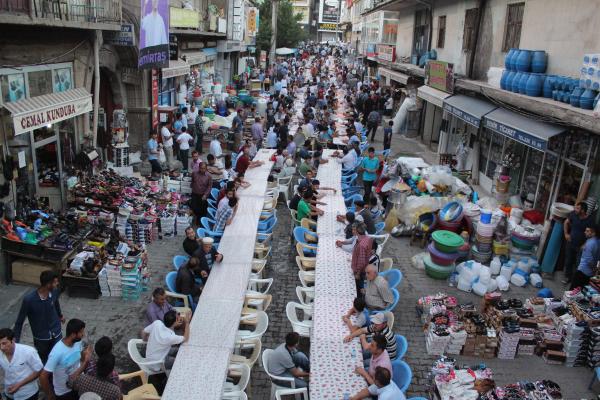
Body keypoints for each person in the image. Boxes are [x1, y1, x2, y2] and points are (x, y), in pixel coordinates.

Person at [13, 271, 64, 364]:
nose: (57, 284)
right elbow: (19, 321)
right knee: (43, 360)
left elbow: (56, 303)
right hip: (41, 338)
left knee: (57, 357)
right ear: (48, 284)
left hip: (56, 333)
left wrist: (60, 316)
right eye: (55, 282)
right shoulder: (29, 300)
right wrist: (15, 341)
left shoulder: (55, 292)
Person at [40, 319, 92, 400]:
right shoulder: (57, 352)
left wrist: (85, 355)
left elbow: (80, 357)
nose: (83, 334)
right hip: (64, 392)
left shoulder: (78, 342)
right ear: (73, 334)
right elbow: (43, 376)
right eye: (81, 332)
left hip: (77, 384)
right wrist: (50, 395)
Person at [0, 328, 43, 400]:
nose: (1, 347)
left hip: (28, 394)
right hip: (9, 393)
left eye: (4, 343)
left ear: (13, 340)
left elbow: (39, 370)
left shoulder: (29, 352)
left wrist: (19, 385)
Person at [563, 202, 594, 284]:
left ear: (583, 210)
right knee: (568, 261)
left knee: (578, 264)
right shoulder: (573, 214)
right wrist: (566, 234)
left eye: (578, 208)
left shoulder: (590, 220)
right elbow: (566, 222)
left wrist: (585, 244)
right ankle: (567, 277)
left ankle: (575, 280)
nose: (575, 209)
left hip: (581, 246)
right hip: (571, 243)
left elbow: (591, 234)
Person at [571, 225, 600, 290]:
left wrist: (594, 269)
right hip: (587, 272)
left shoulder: (590, 243)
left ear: (593, 233)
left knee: (572, 291)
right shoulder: (594, 241)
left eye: (587, 231)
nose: (585, 232)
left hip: (583, 272)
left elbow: (589, 260)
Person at [349, 223, 373, 292]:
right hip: (364, 267)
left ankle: (360, 297)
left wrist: (358, 273)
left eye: (354, 229)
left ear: (357, 231)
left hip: (359, 271)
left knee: (357, 287)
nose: (353, 231)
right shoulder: (367, 238)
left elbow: (361, 262)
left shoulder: (361, 245)